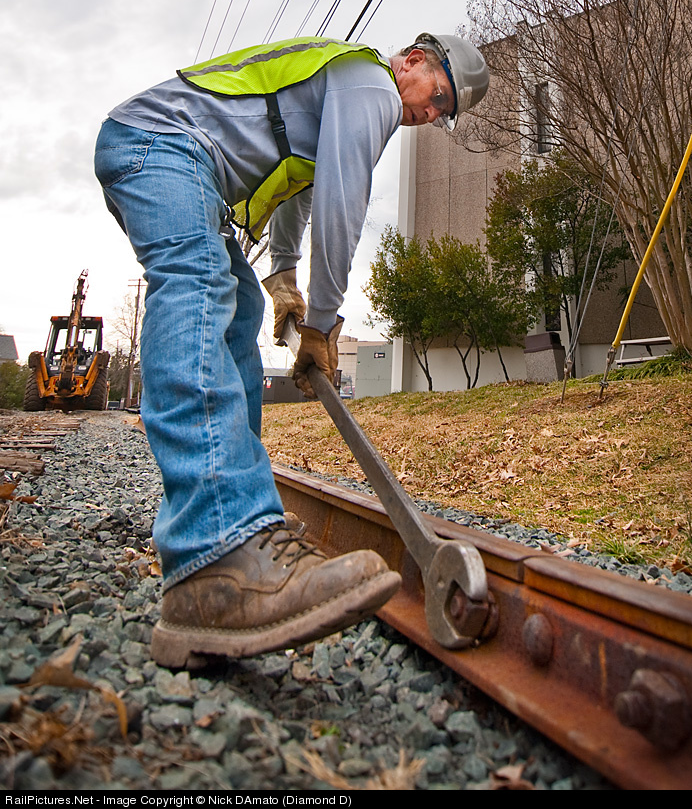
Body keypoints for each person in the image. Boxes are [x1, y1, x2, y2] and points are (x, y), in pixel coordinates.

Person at [94, 33, 489, 668]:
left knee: (238, 310)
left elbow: (299, 191)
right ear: (415, 61)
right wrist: (322, 327)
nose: (432, 114)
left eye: (444, 114)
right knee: (199, 282)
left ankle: (243, 527)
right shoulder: (371, 84)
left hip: (175, 155)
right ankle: (216, 550)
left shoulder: (340, 99)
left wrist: (282, 277)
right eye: (439, 96)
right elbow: (341, 202)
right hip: (161, 143)